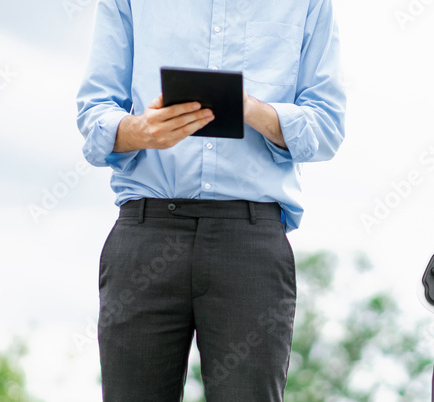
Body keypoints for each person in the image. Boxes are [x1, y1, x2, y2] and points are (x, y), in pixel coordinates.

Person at [74, 0, 346, 400]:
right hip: (146, 233)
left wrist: (249, 108)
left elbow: (327, 126)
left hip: (250, 243)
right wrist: (141, 130)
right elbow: (93, 115)